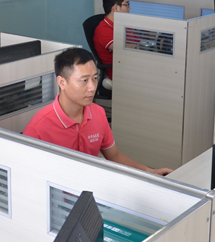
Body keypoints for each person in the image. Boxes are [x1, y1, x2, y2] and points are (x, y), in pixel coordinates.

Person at [23, 48, 172, 176]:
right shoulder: (37, 128)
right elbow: (26, 176)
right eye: (84, 80)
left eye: (95, 78)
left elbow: (114, 156)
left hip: (92, 188)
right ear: (62, 82)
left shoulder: (98, 113)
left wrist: (150, 171)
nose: (92, 87)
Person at [93, 0, 130, 80]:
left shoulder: (122, 25)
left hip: (130, 66)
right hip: (118, 73)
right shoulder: (103, 29)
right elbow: (123, 48)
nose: (129, 8)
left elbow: (138, 42)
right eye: (126, 5)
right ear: (116, 7)